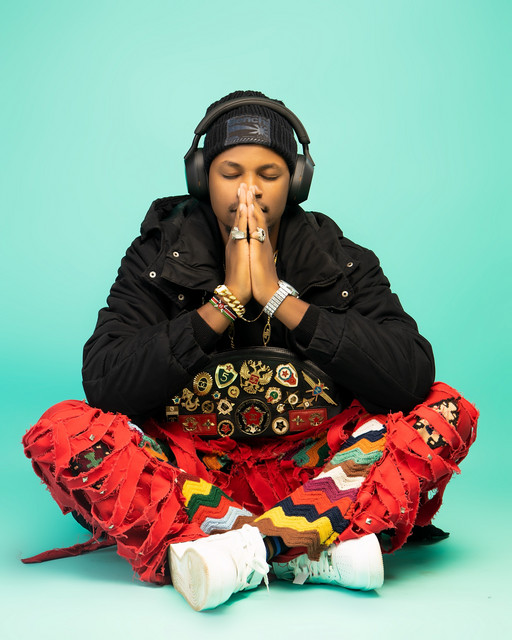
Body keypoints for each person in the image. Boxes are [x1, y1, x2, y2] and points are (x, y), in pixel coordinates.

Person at [22, 91, 478, 611]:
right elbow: (105, 381)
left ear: (296, 181)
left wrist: (280, 300)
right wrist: (227, 303)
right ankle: (303, 549)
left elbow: (410, 375)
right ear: (202, 177)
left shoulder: (340, 257)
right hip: (193, 474)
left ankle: (231, 553)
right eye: (230, 172)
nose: (249, 189)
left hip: (315, 472)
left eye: (269, 173)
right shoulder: (156, 255)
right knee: (63, 430)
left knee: (448, 412)